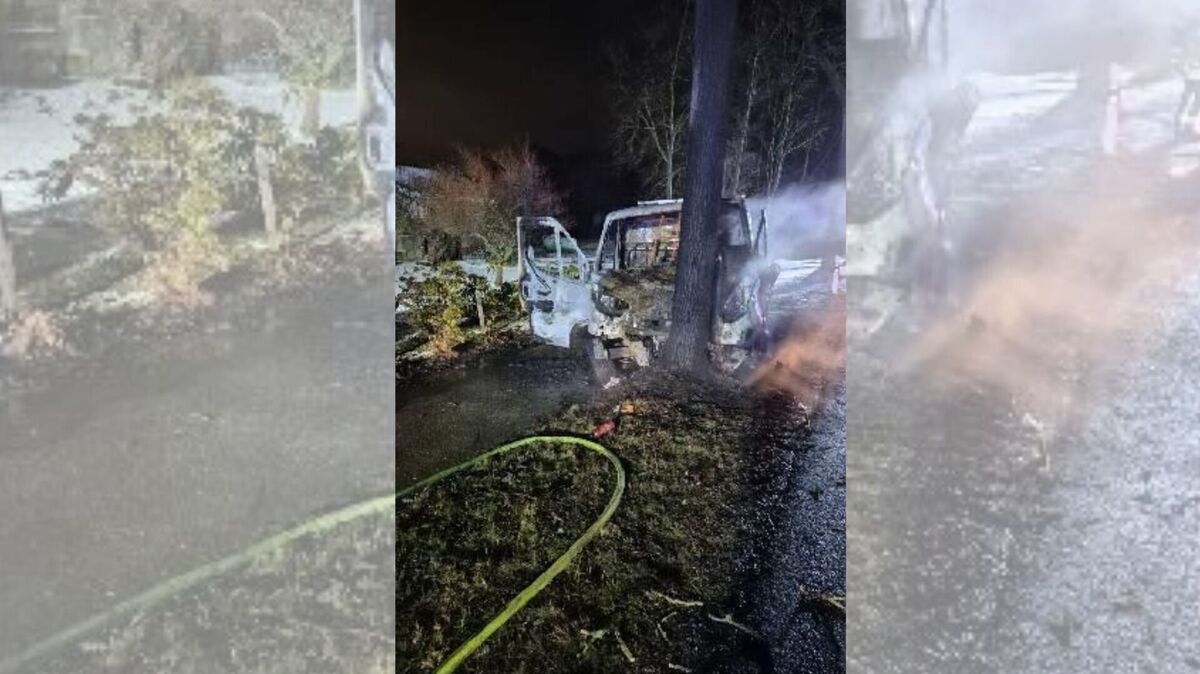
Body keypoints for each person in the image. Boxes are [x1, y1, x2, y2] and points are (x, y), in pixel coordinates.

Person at [1175, 27, 1200, 139]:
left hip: (1192, 76)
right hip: (1193, 77)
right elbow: (1181, 61)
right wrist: (1184, 71)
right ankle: (1183, 126)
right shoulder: (1191, 43)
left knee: (1193, 102)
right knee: (1190, 101)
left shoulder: (1190, 41)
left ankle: (1186, 126)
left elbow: (1181, 61)